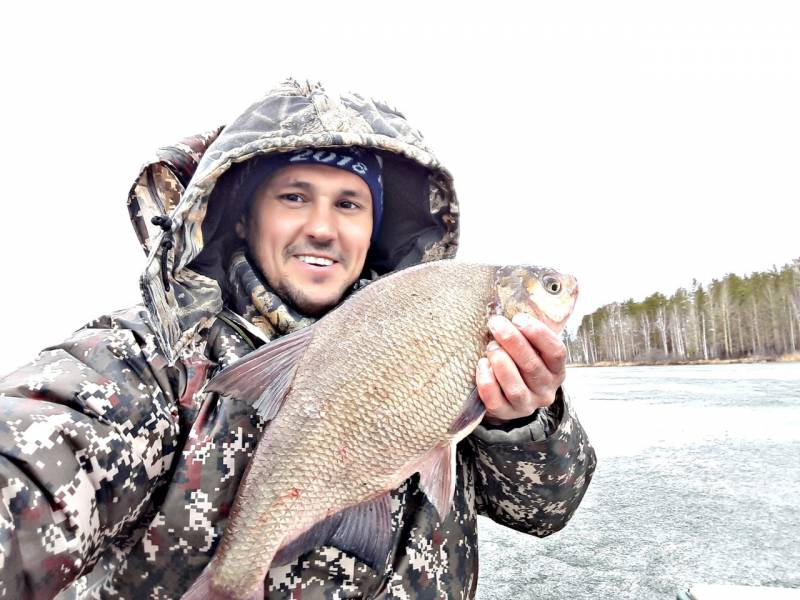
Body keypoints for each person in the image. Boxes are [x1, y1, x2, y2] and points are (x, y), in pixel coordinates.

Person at [0, 79, 596, 599]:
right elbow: (35, 458)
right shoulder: (149, 360)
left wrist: (521, 419)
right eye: (293, 197)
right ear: (241, 215)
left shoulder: (442, 331)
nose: (321, 227)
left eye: (349, 203)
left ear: (374, 227)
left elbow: (548, 510)